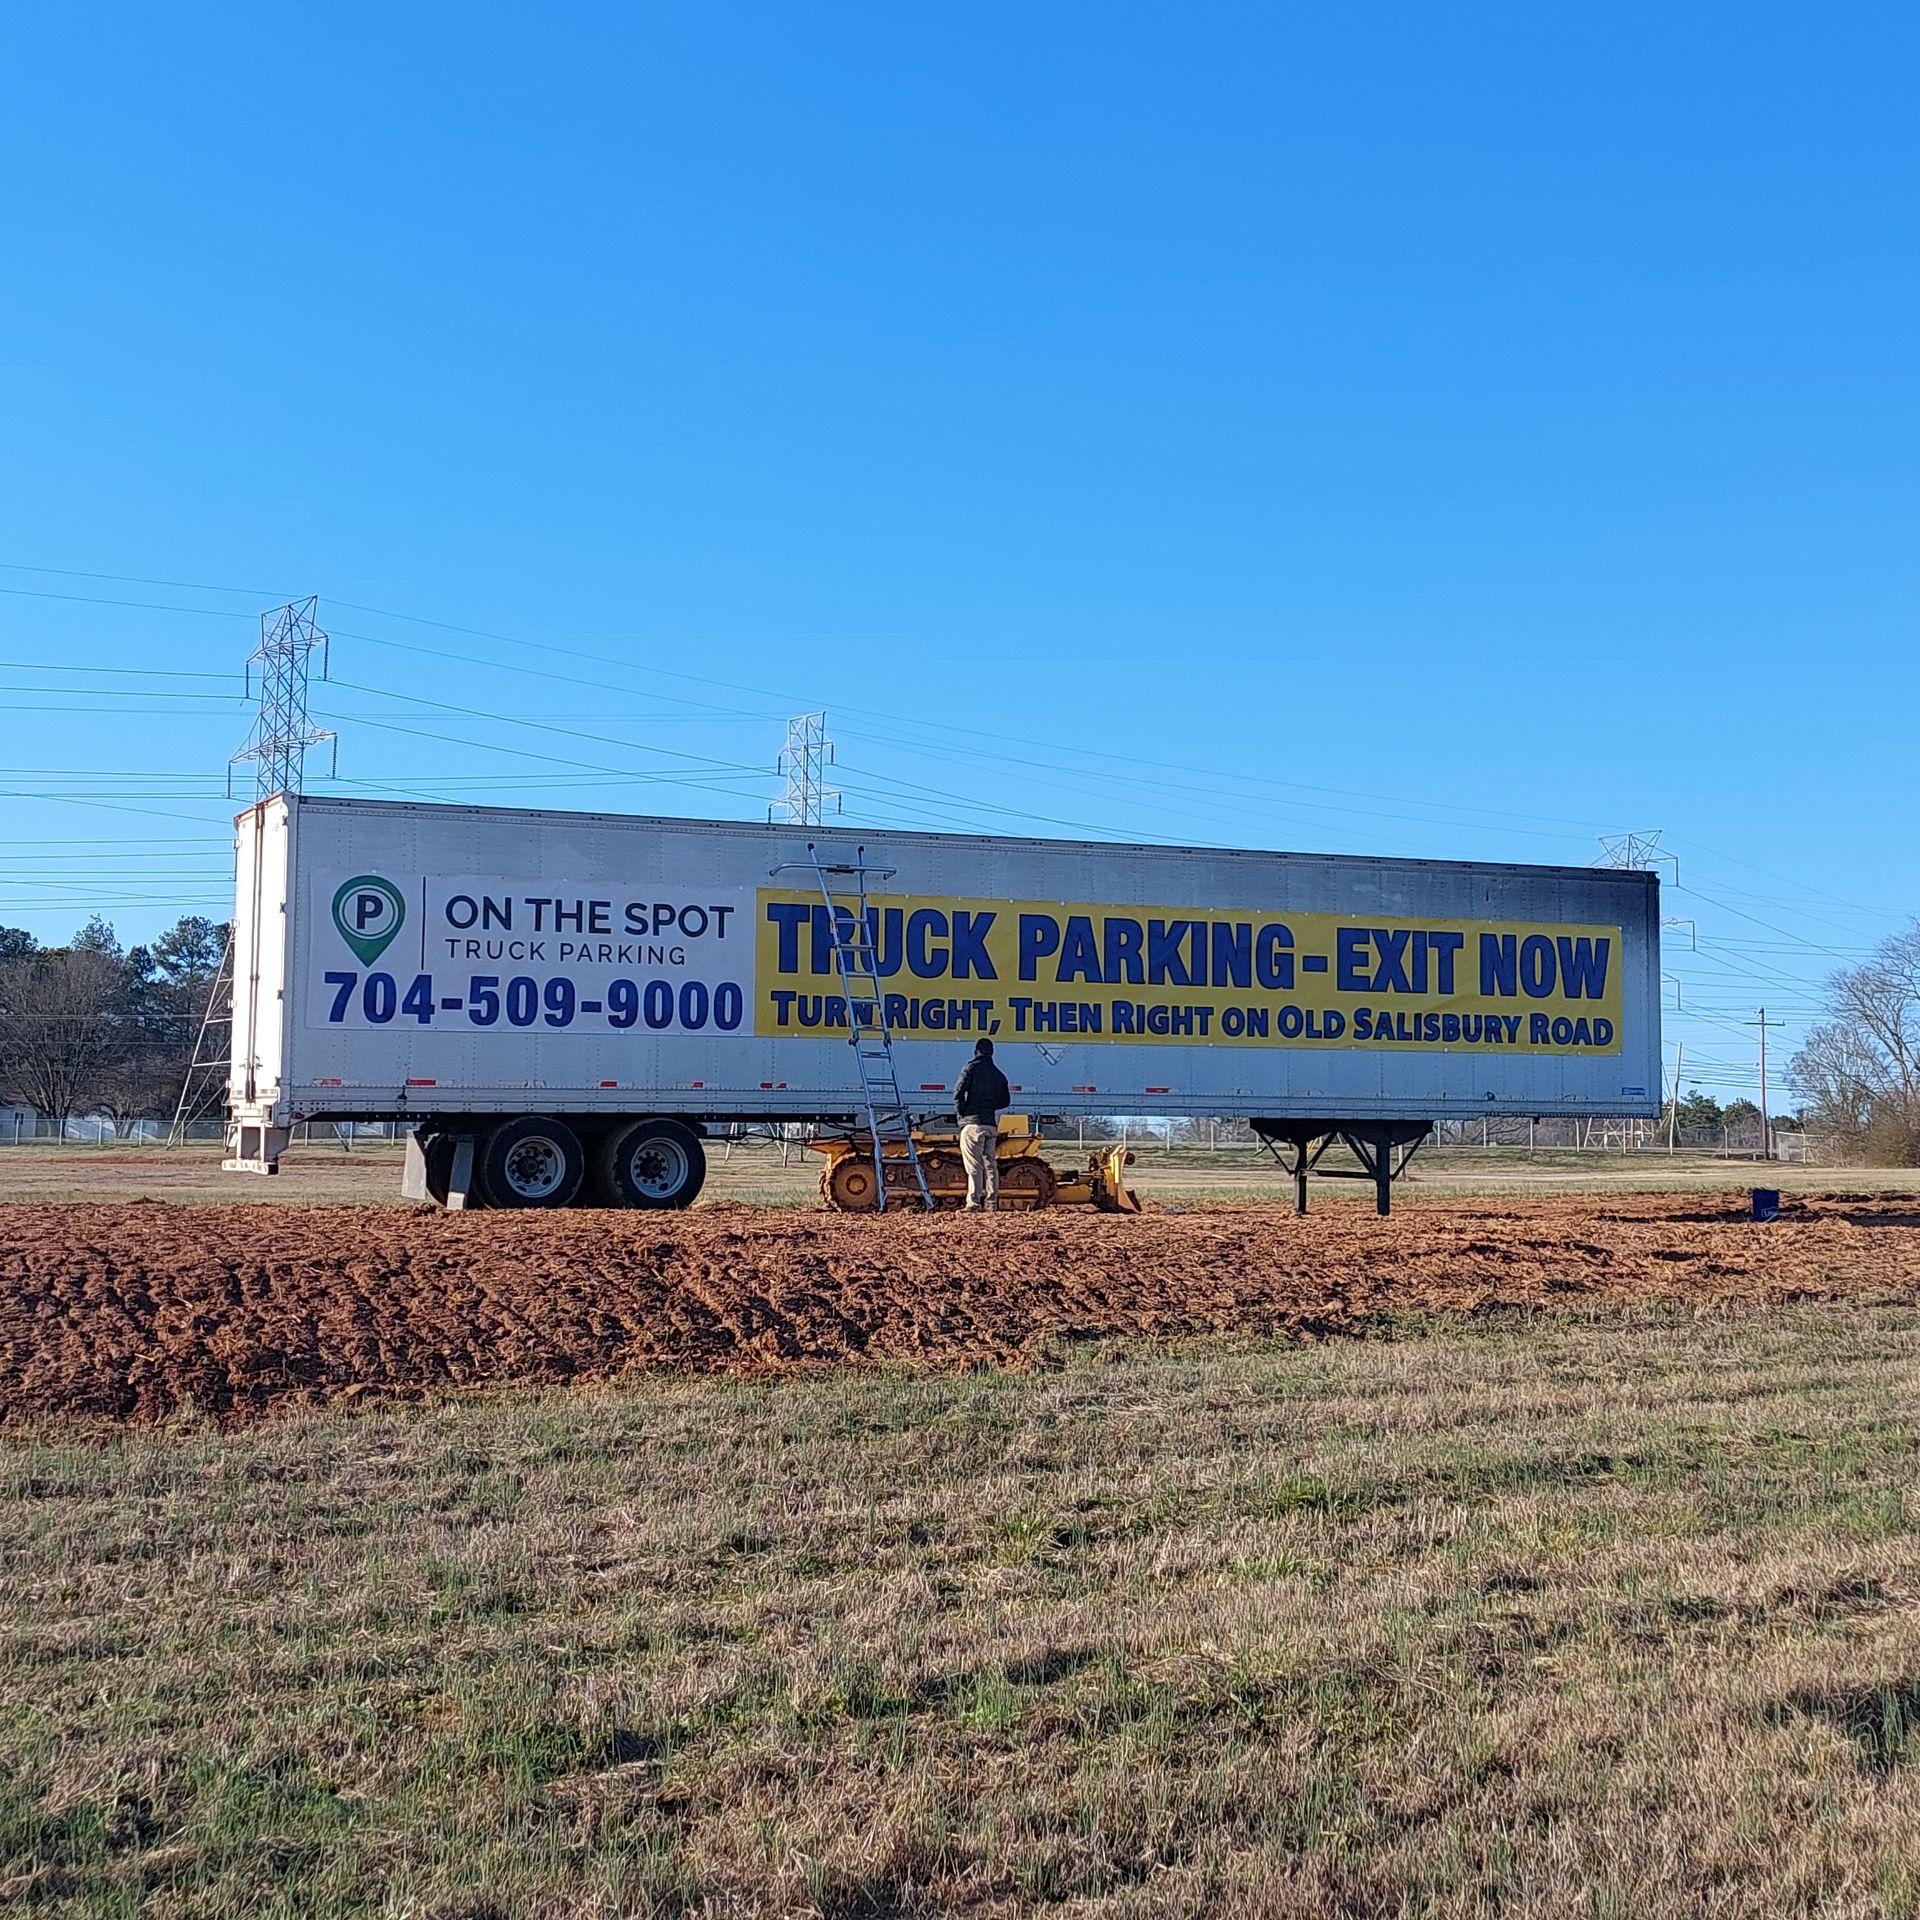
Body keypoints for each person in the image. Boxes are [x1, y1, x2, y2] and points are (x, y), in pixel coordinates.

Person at [953, 1036, 1010, 1211]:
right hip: (990, 1125)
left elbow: (958, 1092)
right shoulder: (999, 1074)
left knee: (974, 1165)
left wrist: (962, 1113)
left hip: (972, 1125)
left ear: (976, 1051)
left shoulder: (970, 1068)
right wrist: (989, 1107)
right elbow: (1005, 1101)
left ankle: (974, 1203)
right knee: (990, 1165)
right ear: (992, 1053)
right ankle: (992, 1202)